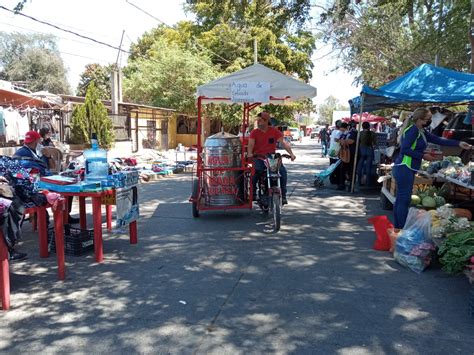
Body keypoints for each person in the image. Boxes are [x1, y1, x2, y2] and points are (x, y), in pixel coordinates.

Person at [392, 107, 472, 229]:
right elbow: (405, 150)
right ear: (419, 119)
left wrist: (458, 143)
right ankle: (400, 228)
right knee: (404, 199)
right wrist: (423, 156)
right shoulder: (412, 131)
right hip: (404, 167)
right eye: (428, 119)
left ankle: (398, 227)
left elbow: (437, 139)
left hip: (407, 168)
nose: (429, 121)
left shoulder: (420, 131)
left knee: (402, 199)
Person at [14, 131, 79, 224]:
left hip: (46, 179)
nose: (40, 143)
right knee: (64, 190)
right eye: (39, 141)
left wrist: (48, 156)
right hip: (34, 184)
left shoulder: (40, 152)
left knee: (68, 189)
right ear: (36, 141)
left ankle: (66, 217)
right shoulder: (22, 154)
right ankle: (60, 221)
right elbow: (21, 175)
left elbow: (52, 167)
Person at [247, 111, 296, 205]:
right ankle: (253, 192)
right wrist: (249, 153)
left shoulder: (274, 131)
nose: (258, 122)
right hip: (259, 157)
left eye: (260, 120)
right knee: (257, 170)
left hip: (271, 158)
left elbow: (284, 143)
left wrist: (291, 154)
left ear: (266, 121)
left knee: (282, 171)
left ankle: (284, 195)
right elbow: (250, 145)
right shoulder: (254, 132)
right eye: (257, 120)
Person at [337, 122, 357, 191]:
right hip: (344, 154)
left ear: (346, 128)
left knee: (351, 170)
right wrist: (340, 141)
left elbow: (351, 141)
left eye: (342, 130)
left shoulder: (353, 133)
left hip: (351, 154)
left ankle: (351, 186)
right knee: (342, 169)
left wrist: (344, 141)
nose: (341, 131)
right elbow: (340, 140)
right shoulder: (344, 134)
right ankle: (341, 184)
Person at [357, 121, 377, 186]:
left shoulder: (360, 133)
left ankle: (359, 181)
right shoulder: (373, 133)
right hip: (369, 150)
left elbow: (358, 142)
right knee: (368, 166)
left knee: (360, 165)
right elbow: (375, 143)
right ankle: (368, 182)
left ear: (362, 127)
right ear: (369, 126)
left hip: (362, 150)